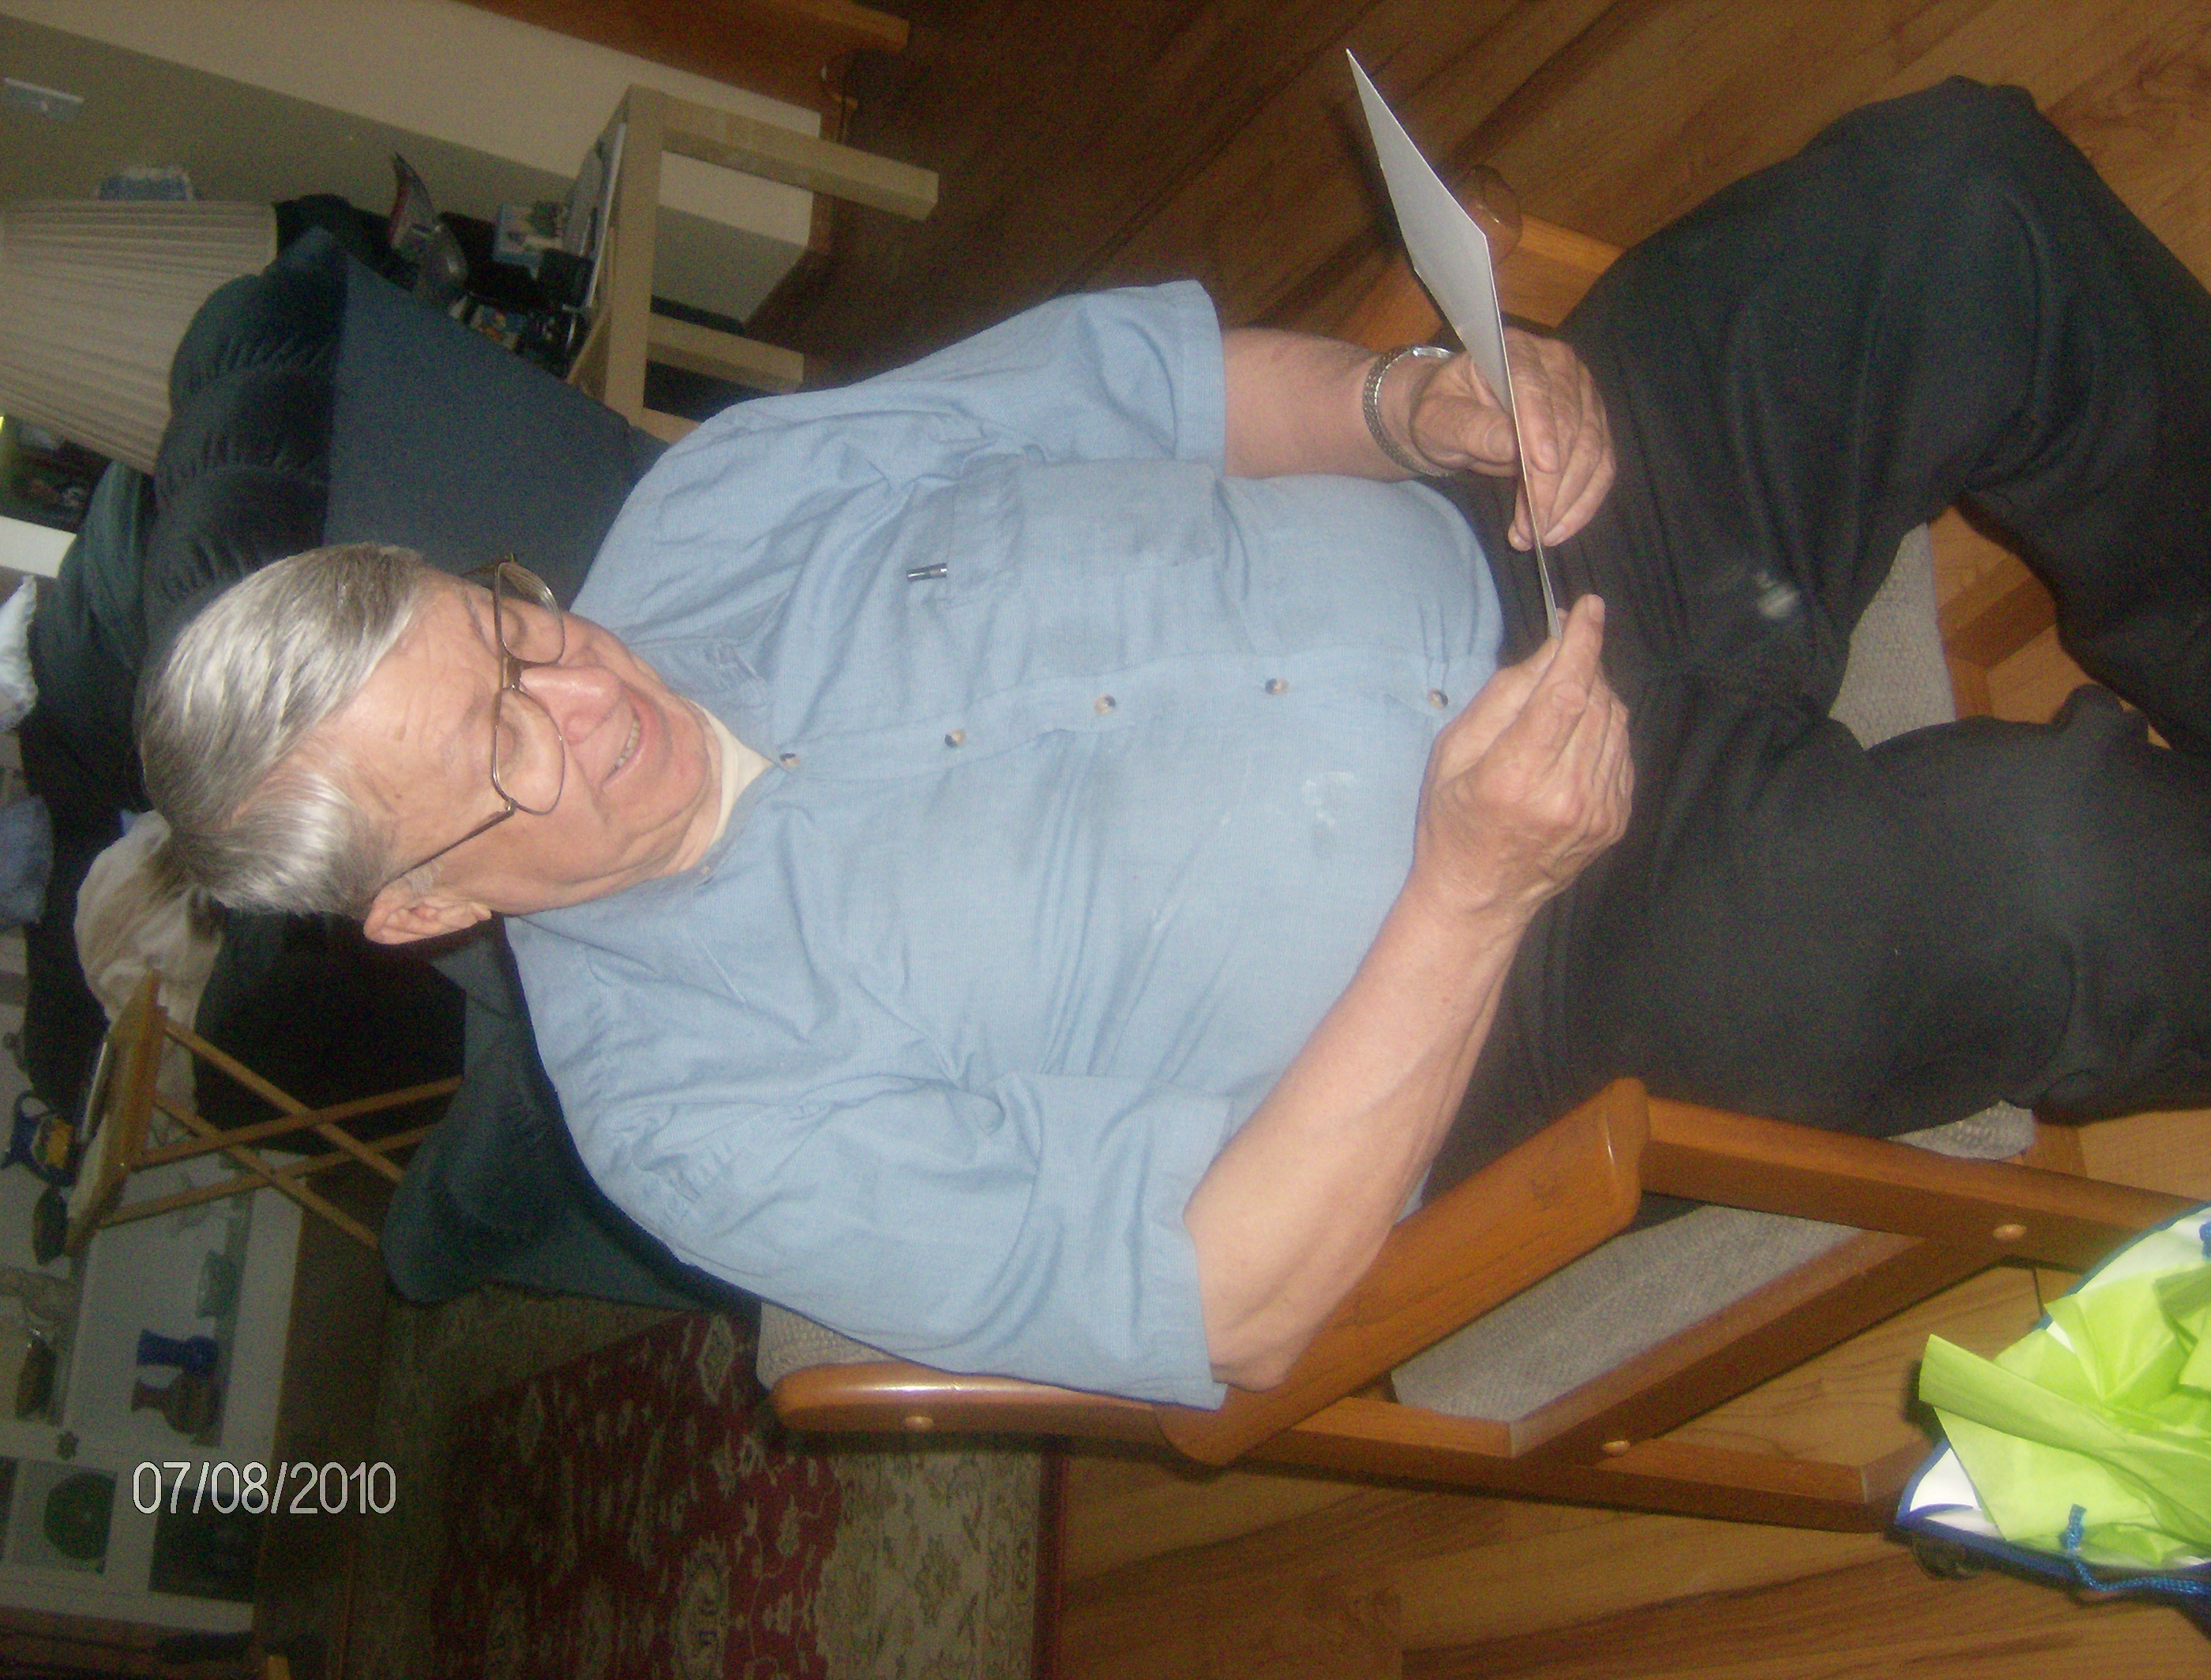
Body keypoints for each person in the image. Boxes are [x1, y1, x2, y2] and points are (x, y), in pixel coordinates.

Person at [138, 80, 2211, 1408]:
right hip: (1524, 972)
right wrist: (1472, 888)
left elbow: (1160, 390)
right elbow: (1226, 1306)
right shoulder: (693, 1115)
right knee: (2058, 875)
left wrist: (1410, 407)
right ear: (421, 907)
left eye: (514, 623)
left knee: (1961, 197)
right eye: (502, 744)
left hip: (1531, 537)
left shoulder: (712, 513)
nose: (592, 690)